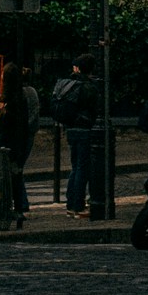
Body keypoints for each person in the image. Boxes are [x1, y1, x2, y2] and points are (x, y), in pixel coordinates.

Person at [53, 54, 102, 217]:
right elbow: (95, 108)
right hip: (84, 129)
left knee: (76, 167)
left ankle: (70, 204)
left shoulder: (69, 84)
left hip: (70, 128)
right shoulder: (88, 86)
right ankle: (78, 205)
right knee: (82, 168)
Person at [0, 57, 35, 221]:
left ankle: (9, 207)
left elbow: (4, 121)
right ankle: (16, 207)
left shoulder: (12, 99)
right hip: (15, 142)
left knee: (7, 177)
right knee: (12, 176)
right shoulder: (16, 97)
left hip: (8, 141)